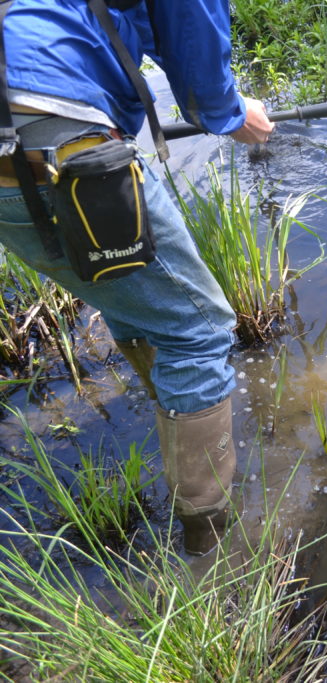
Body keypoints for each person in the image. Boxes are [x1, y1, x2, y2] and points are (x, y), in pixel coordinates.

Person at [0, 0, 273, 554]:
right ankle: (211, 538)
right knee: (198, 331)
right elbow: (189, 30)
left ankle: (174, 412)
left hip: (18, 142)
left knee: (131, 296)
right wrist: (231, 110)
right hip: (58, 138)